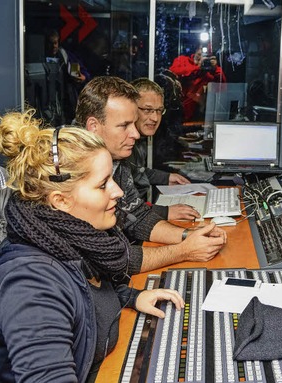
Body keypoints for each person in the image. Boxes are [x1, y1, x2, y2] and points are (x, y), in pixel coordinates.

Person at [0, 110, 184, 381]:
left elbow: (86, 290)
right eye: (103, 184)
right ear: (61, 201)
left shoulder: (70, 240)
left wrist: (131, 297)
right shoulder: (31, 284)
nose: (117, 191)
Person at [75, 76, 227, 274]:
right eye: (124, 126)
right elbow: (110, 258)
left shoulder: (115, 161)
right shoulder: (68, 171)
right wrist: (183, 251)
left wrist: (188, 234)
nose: (135, 134)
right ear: (93, 126)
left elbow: (136, 216)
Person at [128, 77, 190, 205]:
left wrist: (167, 178)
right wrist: (166, 212)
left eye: (159, 111)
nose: (155, 118)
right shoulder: (121, 143)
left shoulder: (139, 139)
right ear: (131, 108)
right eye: (147, 110)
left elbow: (136, 171)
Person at [44, 29, 90, 124]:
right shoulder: (38, 57)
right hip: (48, 97)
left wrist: (82, 78)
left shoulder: (65, 56)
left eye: (56, 43)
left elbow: (85, 74)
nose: (54, 46)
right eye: (50, 43)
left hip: (66, 99)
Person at [169, 47, 227, 121]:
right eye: (199, 54)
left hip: (196, 112)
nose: (201, 58)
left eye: (204, 56)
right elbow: (173, 71)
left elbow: (222, 86)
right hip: (177, 108)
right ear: (195, 52)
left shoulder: (206, 73)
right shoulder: (183, 60)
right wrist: (197, 67)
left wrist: (216, 68)